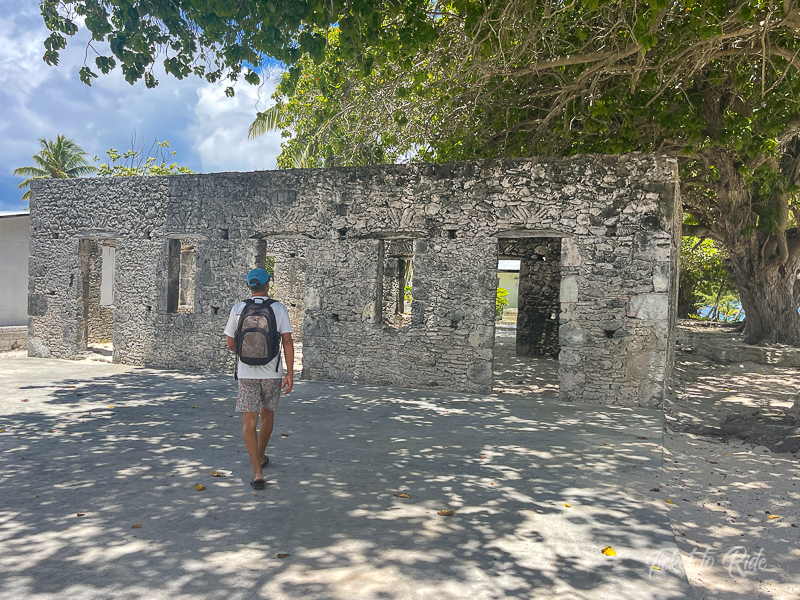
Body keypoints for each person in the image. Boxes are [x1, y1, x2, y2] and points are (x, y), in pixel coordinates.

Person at [224, 268, 294, 490]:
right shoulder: (278, 308)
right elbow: (287, 341)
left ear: (248, 286)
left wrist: (246, 355)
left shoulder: (238, 309)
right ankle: (261, 454)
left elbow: (230, 343)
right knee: (268, 414)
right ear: (268, 284)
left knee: (249, 422)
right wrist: (290, 373)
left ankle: (257, 471)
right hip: (272, 372)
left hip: (246, 374)